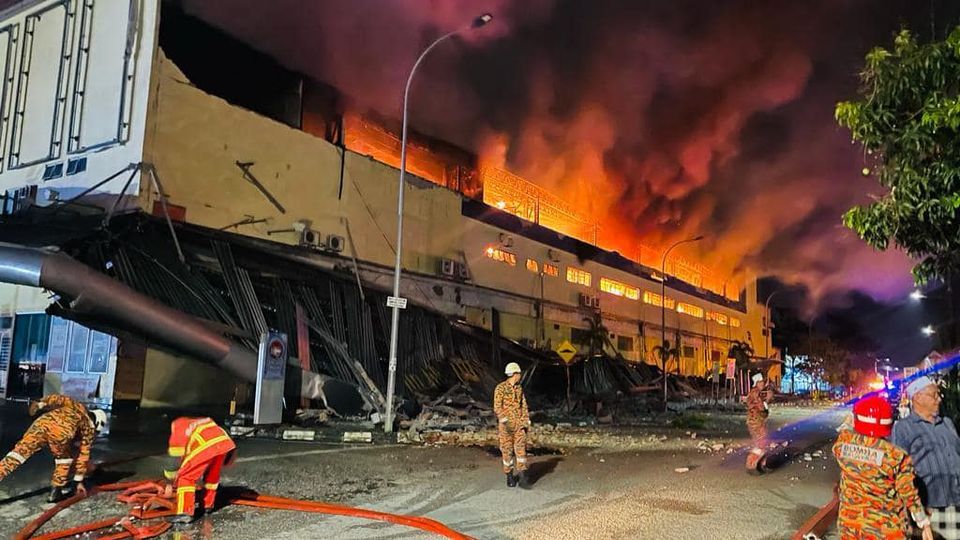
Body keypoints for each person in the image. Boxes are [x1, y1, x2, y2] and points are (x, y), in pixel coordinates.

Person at [834, 394, 933, 540]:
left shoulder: (842, 446)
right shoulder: (897, 457)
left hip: (850, 526)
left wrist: (849, 422)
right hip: (885, 530)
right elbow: (908, 494)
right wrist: (923, 523)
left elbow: (844, 430)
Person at [0, 394, 107, 502]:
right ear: (97, 423)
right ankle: (56, 492)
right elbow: (83, 457)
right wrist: (78, 481)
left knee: (17, 455)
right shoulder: (89, 429)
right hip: (61, 431)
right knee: (64, 460)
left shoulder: (78, 407)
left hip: (41, 424)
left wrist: (42, 402)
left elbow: (61, 399)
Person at [892, 377, 960, 540]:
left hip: (957, 502)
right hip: (930, 508)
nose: (939, 398)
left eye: (938, 394)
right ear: (917, 397)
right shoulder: (904, 428)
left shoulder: (947, 424)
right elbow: (898, 471)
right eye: (933, 395)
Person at [164, 417, 236, 524]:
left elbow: (175, 458)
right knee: (212, 476)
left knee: (186, 477)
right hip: (224, 443)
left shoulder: (177, 427)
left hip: (206, 445)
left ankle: (185, 512)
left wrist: (171, 481)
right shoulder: (197, 423)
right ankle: (208, 505)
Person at [493, 362, 530, 488]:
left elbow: (523, 405)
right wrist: (504, 420)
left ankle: (523, 477)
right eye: (519, 373)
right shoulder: (501, 388)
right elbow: (497, 407)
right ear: (515, 374)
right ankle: (509, 476)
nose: (520, 375)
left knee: (521, 450)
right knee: (507, 451)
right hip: (506, 426)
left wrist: (526, 420)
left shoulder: (519, 388)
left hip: (519, 424)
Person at [745, 372, 773, 473]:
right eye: (761, 382)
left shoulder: (756, 393)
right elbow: (762, 411)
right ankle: (751, 464)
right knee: (761, 443)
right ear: (756, 383)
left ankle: (761, 465)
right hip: (756, 422)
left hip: (755, 422)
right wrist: (767, 401)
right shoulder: (756, 394)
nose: (763, 384)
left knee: (762, 443)